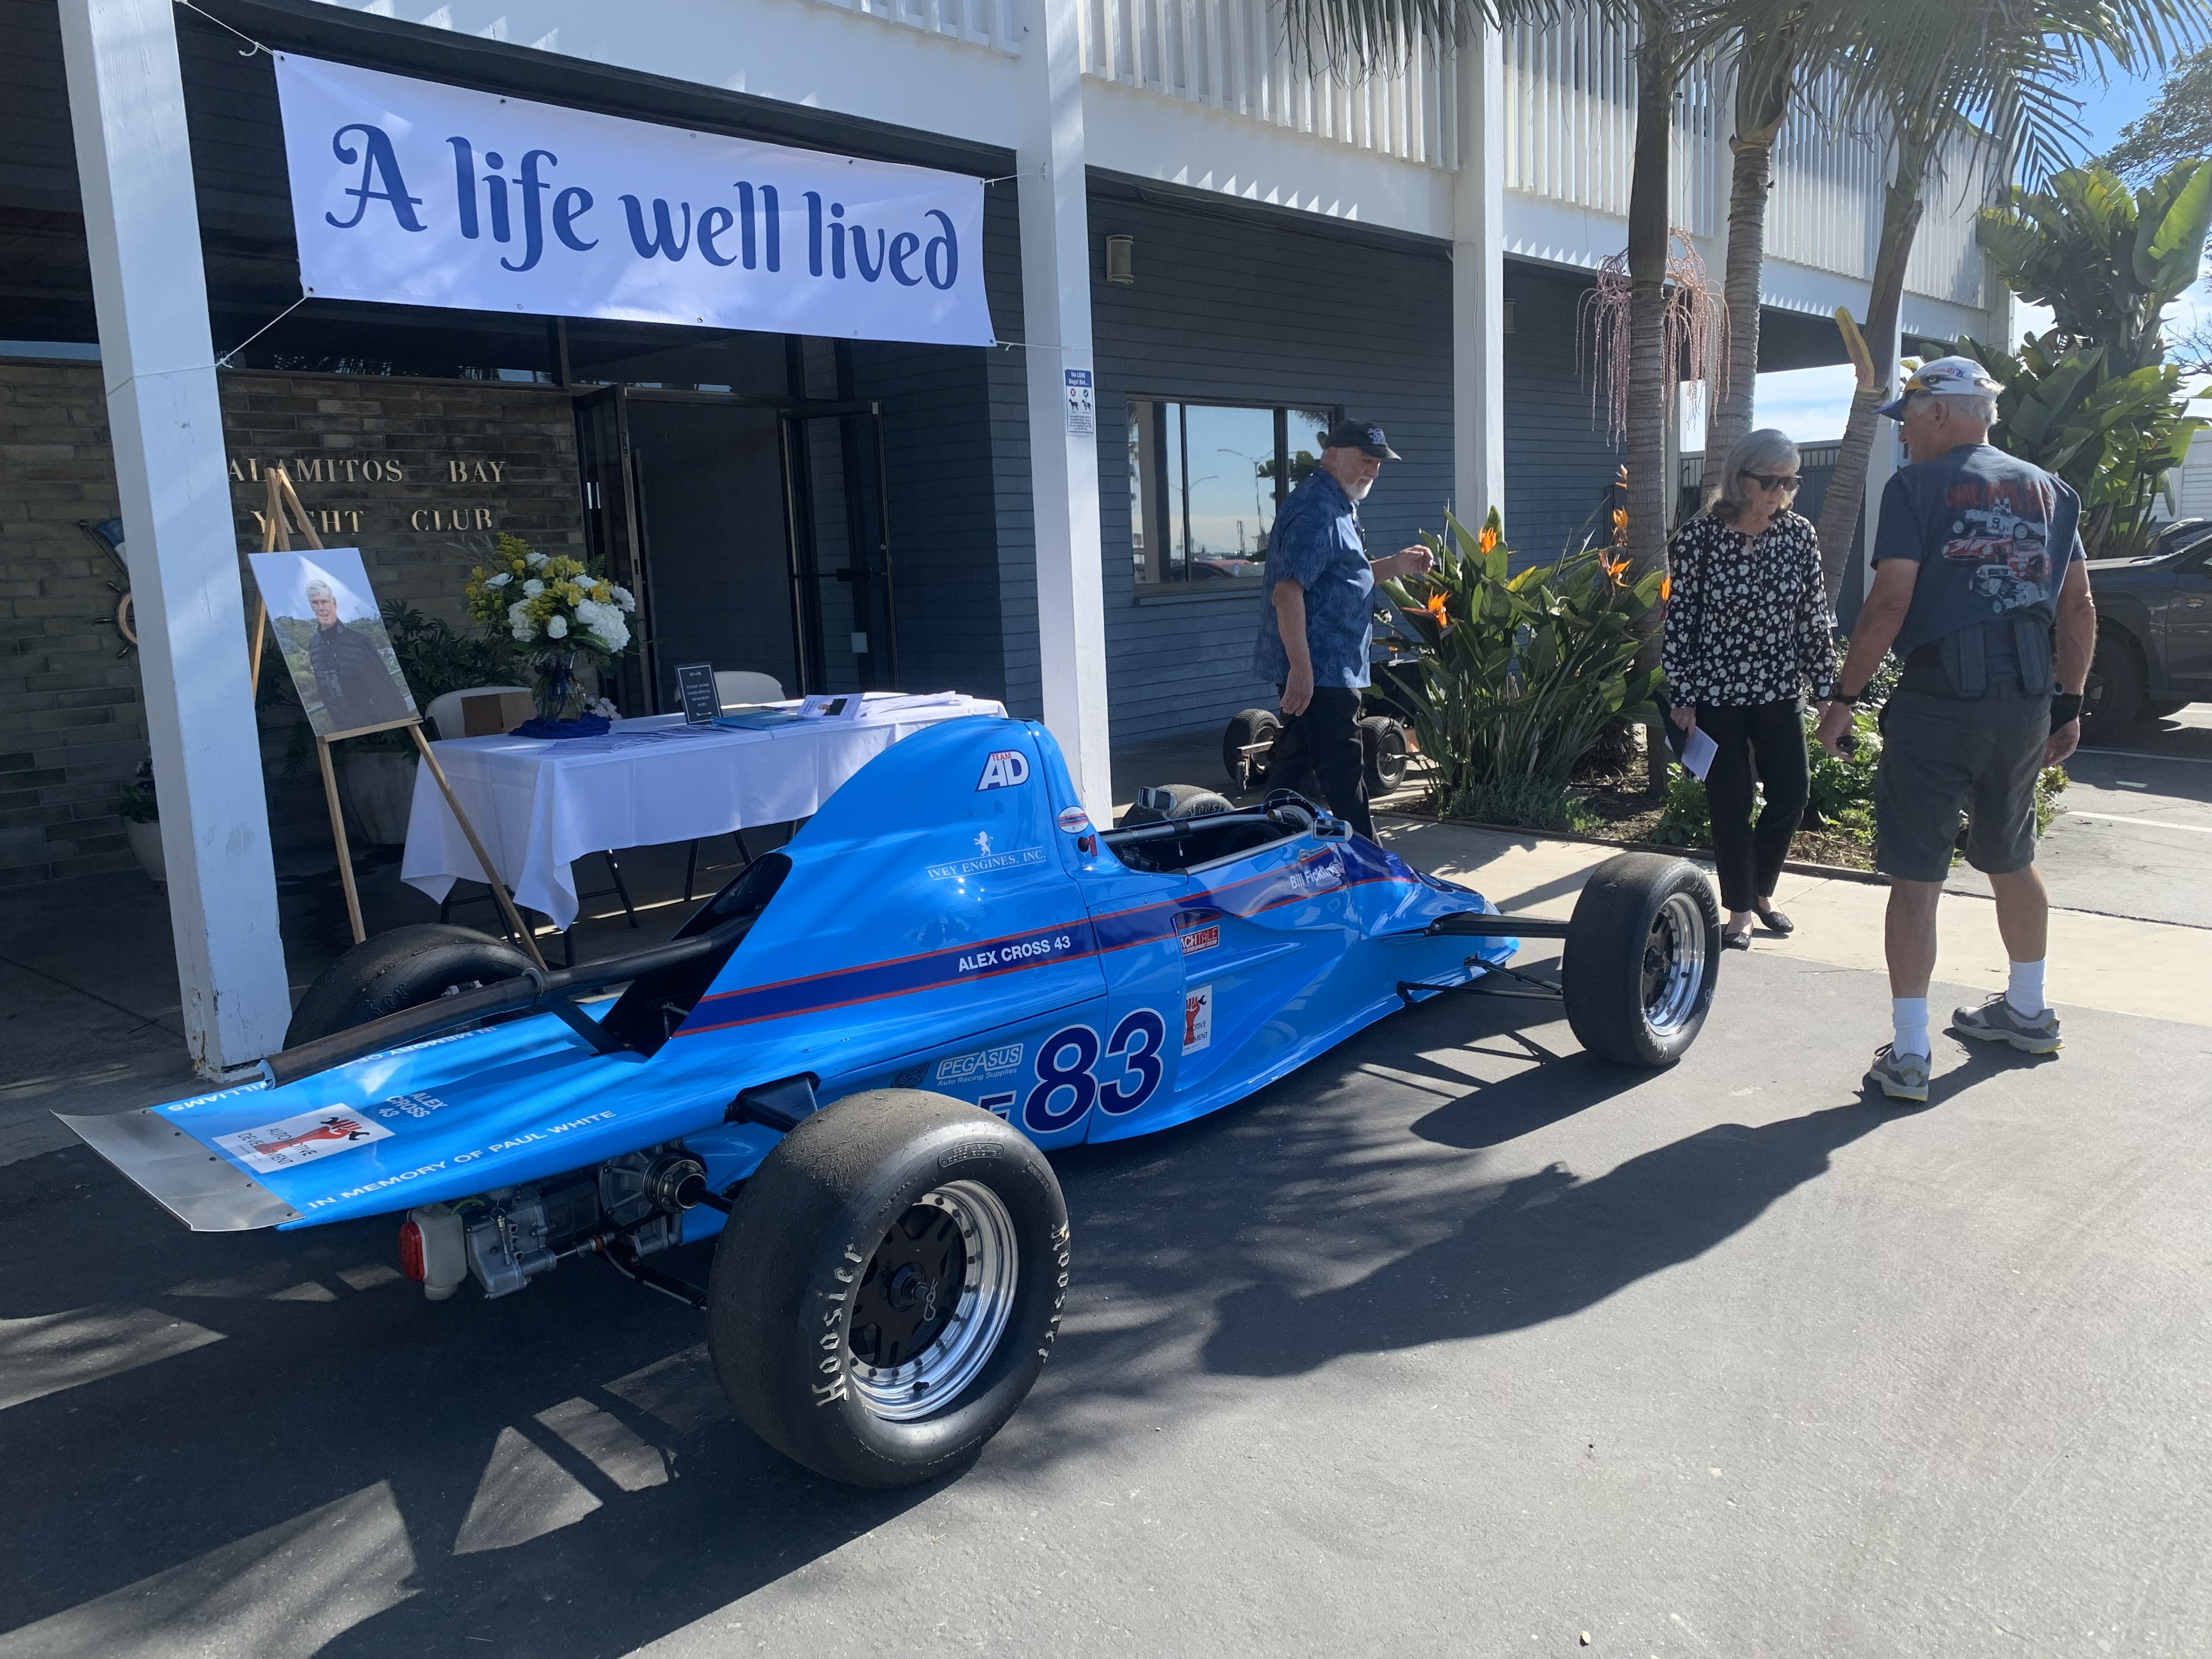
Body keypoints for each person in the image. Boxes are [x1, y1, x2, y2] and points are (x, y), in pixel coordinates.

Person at [1811, 357, 2095, 1104]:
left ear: (1939, 411)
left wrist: (1844, 697)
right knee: (2012, 854)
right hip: (2026, 699)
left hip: (1941, 699)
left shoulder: (1916, 487)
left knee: (1917, 874)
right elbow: (2079, 608)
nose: (1903, 436)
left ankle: (1910, 1054)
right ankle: (2028, 1010)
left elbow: (1889, 603)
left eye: (1906, 420)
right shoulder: (2053, 491)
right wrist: (2068, 703)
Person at [1662, 428, 1836, 950]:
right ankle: (1739, 911)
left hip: (1779, 687)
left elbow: (1812, 616)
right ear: (1740, 479)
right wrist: (1683, 695)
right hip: (1716, 693)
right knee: (1730, 800)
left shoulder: (1799, 535)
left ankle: (1762, 891)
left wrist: (1826, 689)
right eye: (1770, 481)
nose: (1780, 493)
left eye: (1790, 482)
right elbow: (1681, 620)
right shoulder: (1699, 537)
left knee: (1792, 792)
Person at [1252, 419, 1436, 839]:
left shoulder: (1339, 504)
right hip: (1322, 669)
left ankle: (1262, 845)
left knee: (1295, 766)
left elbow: (1345, 576)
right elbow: (1287, 593)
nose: (1373, 471)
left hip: (1329, 667)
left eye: (1378, 463)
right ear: (1332, 456)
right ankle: (1369, 861)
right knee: (1344, 771)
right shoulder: (1317, 512)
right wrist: (1302, 671)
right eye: (1366, 460)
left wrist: (1398, 564)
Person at [304, 576, 411, 734]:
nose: (321, 608)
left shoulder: (360, 642)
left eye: (325, 601)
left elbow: (385, 689)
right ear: (311, 606)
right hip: (340, 730)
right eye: (315, 603)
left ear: (334, 603)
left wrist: (402, 728)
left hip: (375, 728)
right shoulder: (314, 645)